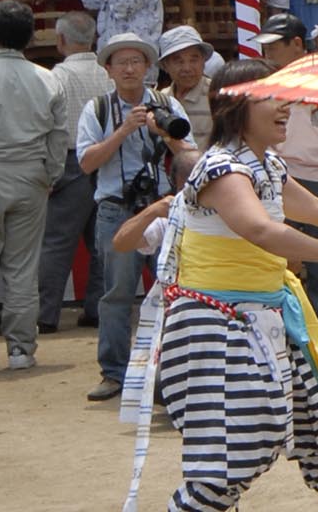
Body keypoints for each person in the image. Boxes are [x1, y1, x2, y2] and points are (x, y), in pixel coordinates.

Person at [132, 56, 318, 512]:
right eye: (272, 96)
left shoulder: (266, 163)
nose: (286, 106)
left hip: (262, 317)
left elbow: (317, 209)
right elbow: (260, 230)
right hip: (214, 327)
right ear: (236, 107)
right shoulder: (220, 167)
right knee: (239, 446)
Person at [77, 31, 191, 401]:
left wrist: (163, 131)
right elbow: (86, 162)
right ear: (108, 69)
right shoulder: (96, 109)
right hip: (115, 207)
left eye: (136, 61)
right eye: (121, 62)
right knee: (117, 293)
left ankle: (171, 370)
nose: (129, 68)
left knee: (174, 288)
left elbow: (190, 153)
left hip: (162, 203)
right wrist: (124, 129)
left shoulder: (166, 104)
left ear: (148, 66)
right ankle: (114, 373)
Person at [0, 0, 66, 376]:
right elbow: (58, 138)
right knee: (22, 270)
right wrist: (50, 175)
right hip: (30, 176)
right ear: (29, 37)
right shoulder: (48, 78)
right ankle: (21, 350)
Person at [257, 12, 318, 334]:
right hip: (279, 174)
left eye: (274, 46)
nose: (268, 53)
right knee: (276, 261)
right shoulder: (267, 82)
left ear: (296, 44)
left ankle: (317, 341)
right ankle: (286, 339)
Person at [37, 11, 111, 334]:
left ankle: (45, 313)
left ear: (62, 40)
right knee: (101, 242)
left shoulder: (56, 77)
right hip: (106, 157)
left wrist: (48, 171)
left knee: (56, 242)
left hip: (69, 159)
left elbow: (49, 127)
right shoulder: (107, 74)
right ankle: (96, 307)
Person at [158, 25, 215, 140]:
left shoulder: (216, 95)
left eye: (194, 60)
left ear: (203, 62)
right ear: (165, 66)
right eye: (179, 61)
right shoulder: (161, 99)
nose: (187, 68)